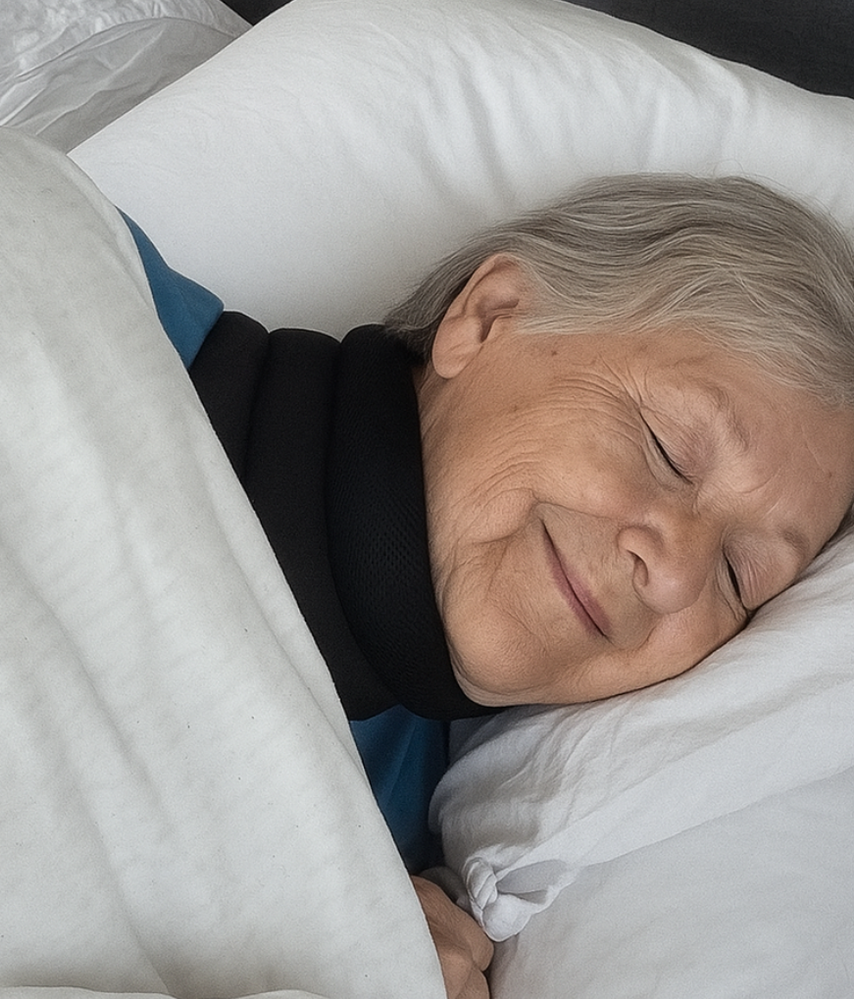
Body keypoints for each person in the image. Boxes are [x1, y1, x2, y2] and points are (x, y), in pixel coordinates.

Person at [134, 174, 854, 999]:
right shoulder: (81, 289)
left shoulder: (403, 898)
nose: (676, 573)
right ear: (486, 318)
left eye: (739, 576)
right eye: (667, 448)